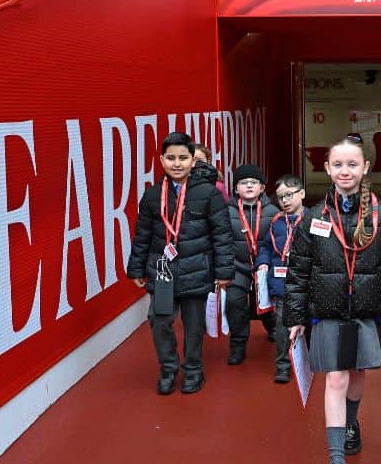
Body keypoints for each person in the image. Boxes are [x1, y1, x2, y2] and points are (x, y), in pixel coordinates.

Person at [284, 133, 381, 464]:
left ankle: (352, 422)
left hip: (366, 311)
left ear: (365, 167)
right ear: (326, 168)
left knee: (357, 374)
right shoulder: (313, 218)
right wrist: (295, 316)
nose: (345, 171)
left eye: (352, 164)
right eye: (338, 165)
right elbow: (298, 271)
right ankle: (336, 460)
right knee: (336, 379)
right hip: (325, 312)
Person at [127, 132, 234, 395]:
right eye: (171, 158)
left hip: (196, 271)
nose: (177, 164)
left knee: (194, 326)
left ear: (192, 162)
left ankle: (194, 371)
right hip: (162, 273)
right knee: (159, 320)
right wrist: (136, 268)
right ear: (162, 160)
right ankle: (168, 369)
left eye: (183, 158)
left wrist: (223, 272)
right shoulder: (152, 196)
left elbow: (222, 235)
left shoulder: (208, 194)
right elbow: (142, 236)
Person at [225, 163, 279, 366]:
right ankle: (237, 344)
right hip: (237, 265)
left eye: (254, 182)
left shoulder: (273, 211)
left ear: (262, 188)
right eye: (243, 183)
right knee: (234, 301)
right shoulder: (226, 212)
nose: (249, 186)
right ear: (235, 188)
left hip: (265, 266)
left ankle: (272, 326)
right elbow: (221, 241)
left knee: (266, 299)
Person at [256, 174, 306, 384]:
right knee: (283, 323)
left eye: (289, 195)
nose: (284, 201)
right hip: (282, 281)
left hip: (307, 281)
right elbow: (266, 246)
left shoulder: (314, 220)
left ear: (302, 194)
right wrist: (263, 262)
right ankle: (283, 365)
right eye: (280, 197)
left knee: (309, 323)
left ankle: (309, 362)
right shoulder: (277, 222)